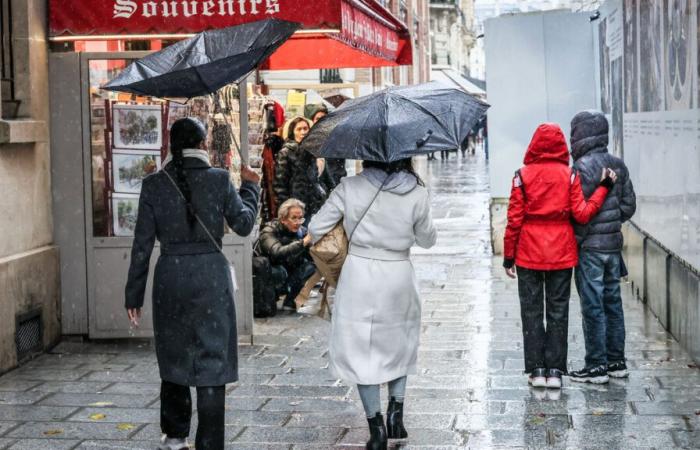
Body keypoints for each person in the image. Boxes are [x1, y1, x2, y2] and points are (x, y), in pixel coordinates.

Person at [124, 118, 260, 450]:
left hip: (170, 276)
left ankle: (174, 435)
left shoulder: (154, 184)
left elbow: (142, 245)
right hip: (211, 278)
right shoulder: (218, 180)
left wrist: (134, 294)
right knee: (212, 358)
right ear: (202, 144)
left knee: (174, 355)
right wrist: (251, 186)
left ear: (171, 146)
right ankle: (210, 441)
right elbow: (243, 225)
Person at [309, 158, 437, 450]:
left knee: (360, 350)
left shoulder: (349, 187)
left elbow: (317, 228)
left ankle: (376, 427)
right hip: (398, 274)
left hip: (359, 276)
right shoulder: (416, 191)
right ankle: (396, 413)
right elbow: (428, 239)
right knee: (400, 342)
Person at [503, 123, 617, 390]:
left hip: (529, 253)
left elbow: (514, 219)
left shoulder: (521, 175)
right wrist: (602, 188)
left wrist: (509, 257)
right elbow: (582, 214)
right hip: (562, 253)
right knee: (558, 311)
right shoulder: (570, 175)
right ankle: (555, 371)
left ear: (533, 144)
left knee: (531, 312)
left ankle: (536, 370)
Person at [567, 110, 637, 384]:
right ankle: (616, 362)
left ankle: (596, 365)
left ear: (580, 135)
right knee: (613, 304)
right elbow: (629, 206)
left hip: (590, 251)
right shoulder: (618, 165)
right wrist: (611, 223)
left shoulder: (581, 168)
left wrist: (581, 239)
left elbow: (578, 214)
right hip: (612, 248)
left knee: (593, 306)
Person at [256, 198, 320, 313]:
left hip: (290, 272)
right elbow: (277, 253)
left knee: (313, 265)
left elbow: (313, 258)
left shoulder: (302, 232)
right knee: (280, 272)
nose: (298, 222)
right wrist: (302, 243)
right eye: (294, 218)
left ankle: (291, 301)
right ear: (283, 219)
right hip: (273, 275)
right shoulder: (269, 231)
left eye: (300, 218)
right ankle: (272, 297)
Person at [274, 116, 328, 223]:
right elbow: (280, 185)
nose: (303, 132)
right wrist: (285, 209)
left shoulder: (311, 151)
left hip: (313, 205)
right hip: (295, 207)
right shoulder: (286, 152)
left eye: (305, 128)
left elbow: (315, 178)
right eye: (299, 129)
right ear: (292, 132)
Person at [308, 103, 347, 187]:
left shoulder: (336, 138)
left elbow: (339, 167)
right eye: (317, 118)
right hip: (315, 186)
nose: (320, 121)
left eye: (323, 118)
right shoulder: (308, 139)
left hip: (334, 184)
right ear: (312, 120)